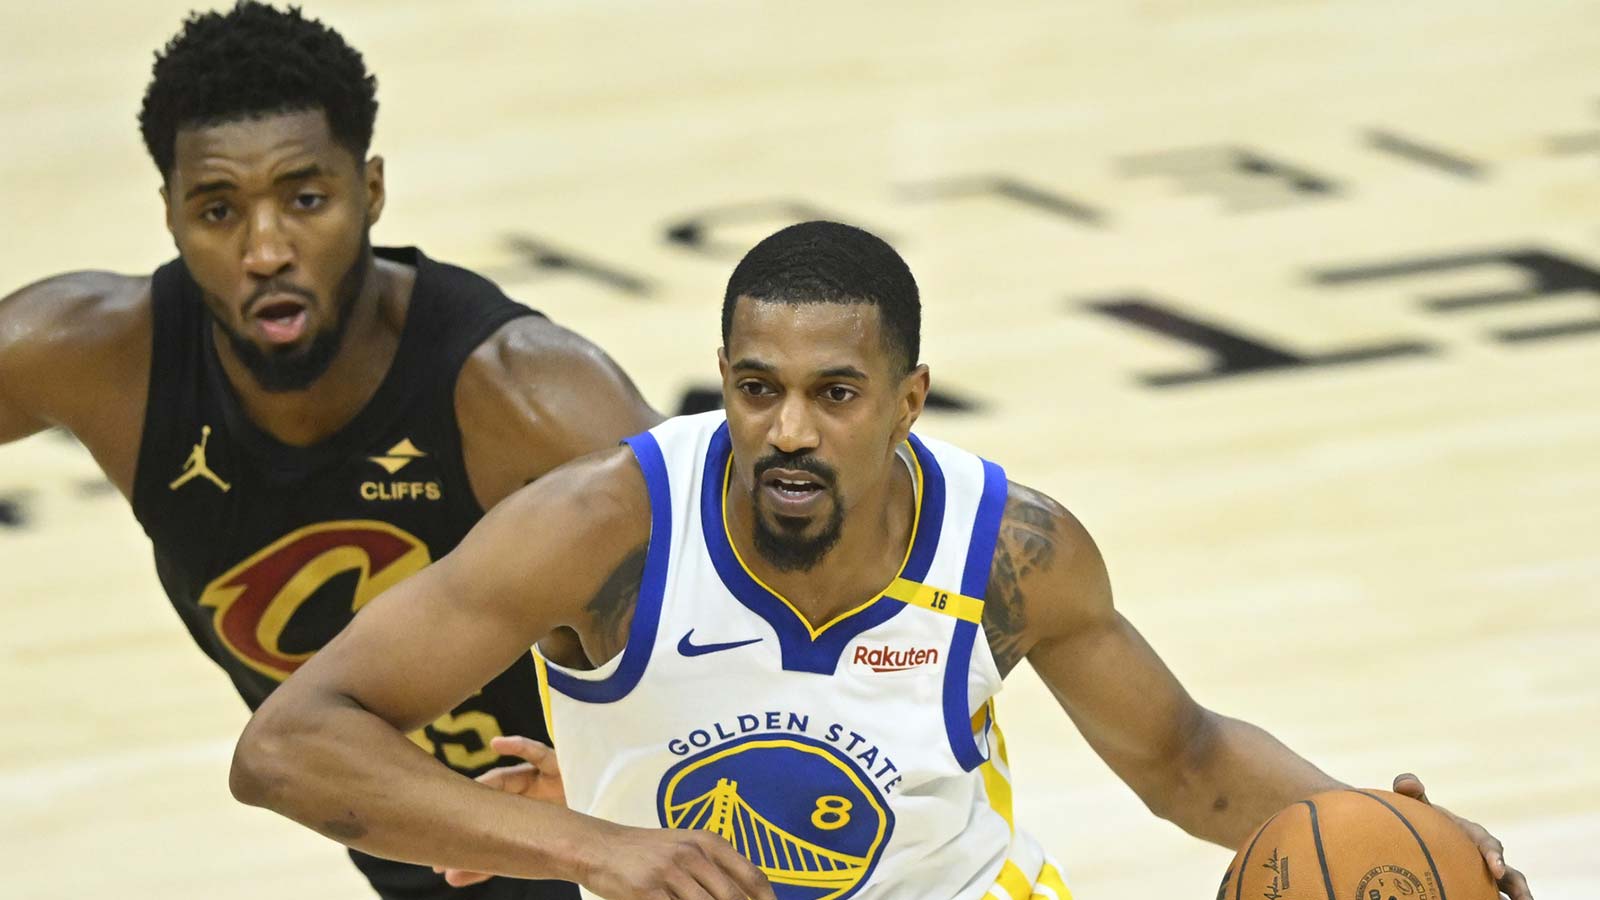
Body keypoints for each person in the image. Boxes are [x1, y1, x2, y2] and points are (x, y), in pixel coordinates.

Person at [230, 221, 1531, 900]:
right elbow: (287, 747)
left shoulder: (1012, 547)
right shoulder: (604, 529)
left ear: (910, 398)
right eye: (755, 388)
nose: (788, 429)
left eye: (834, 393)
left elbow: (1184, 761)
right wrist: (583, 842)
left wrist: (1396, 829)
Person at [0, 3, 658, 898]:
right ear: (169, 214)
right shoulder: (96, 357)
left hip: (620, 853)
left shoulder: (528, 398)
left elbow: (762, 613)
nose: (265, 249)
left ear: (371, 189)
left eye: (305, 199)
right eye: (218, 209)